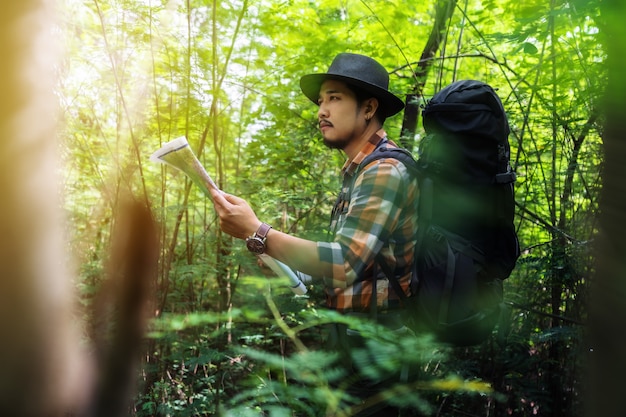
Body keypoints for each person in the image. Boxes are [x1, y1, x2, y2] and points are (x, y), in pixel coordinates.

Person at [210, 52, 419, 416]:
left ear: (369, 108)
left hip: (378, 350)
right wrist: (278, 258)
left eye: (334, 98)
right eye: (321, 101)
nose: (321, 110)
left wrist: (260, 230)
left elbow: (344, 263)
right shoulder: (358, 171)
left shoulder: (385, 170)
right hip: (352, 345)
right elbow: (356, 263)